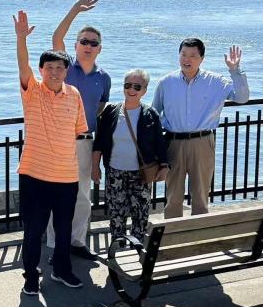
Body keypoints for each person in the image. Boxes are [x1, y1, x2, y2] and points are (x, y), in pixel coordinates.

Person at [14, 10, 88, 296]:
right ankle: (31, 276)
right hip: (34, 175)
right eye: (49, 68)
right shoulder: (33, 91)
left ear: (66, 71)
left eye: (59, 68)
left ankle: (61, 269)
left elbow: (78, 131)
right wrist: (21, 38)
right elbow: (23, 65)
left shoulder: (74, 95)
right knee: (33, 230)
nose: (54, 72)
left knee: (64, 228)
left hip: (66, 177)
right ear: (41, 70)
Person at [152, 39, 249, 218]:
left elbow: (242, 98)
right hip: (173, 143)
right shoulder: (165, 82)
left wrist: (235, 71)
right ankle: (173, 234)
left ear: (202, 58)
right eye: (183, 54)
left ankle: (199, 233)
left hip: (202, 142)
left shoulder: (216, 81)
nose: (186, 59)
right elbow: (154, 114)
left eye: (192, 56)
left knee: (201, 196)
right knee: (173, 197)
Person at [47, 0, 111, 261]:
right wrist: (75, 10)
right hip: (60, 141)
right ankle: (54, 244)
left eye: (93, 43)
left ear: (99, 49)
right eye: (83, 41)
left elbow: (100, 108)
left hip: (85, 141)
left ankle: (77, 241)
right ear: (75, 46)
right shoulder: (65, 69)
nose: (88, 46)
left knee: (83, 194)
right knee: (57, 193)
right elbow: (56, 38)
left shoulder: (104, 78)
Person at [92, 69, 168, 243]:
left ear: (144, 90)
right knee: (116, 215)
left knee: (140, 215)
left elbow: (159, 142)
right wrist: (95, 167)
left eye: (137, 87)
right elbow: (99, 143)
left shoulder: (150, 114)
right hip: (115, 173)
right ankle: (117, 250)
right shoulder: (110, 112)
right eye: (128, 85)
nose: (131, 90)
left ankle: (137, 250)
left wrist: (164, 166)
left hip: (141, 174)